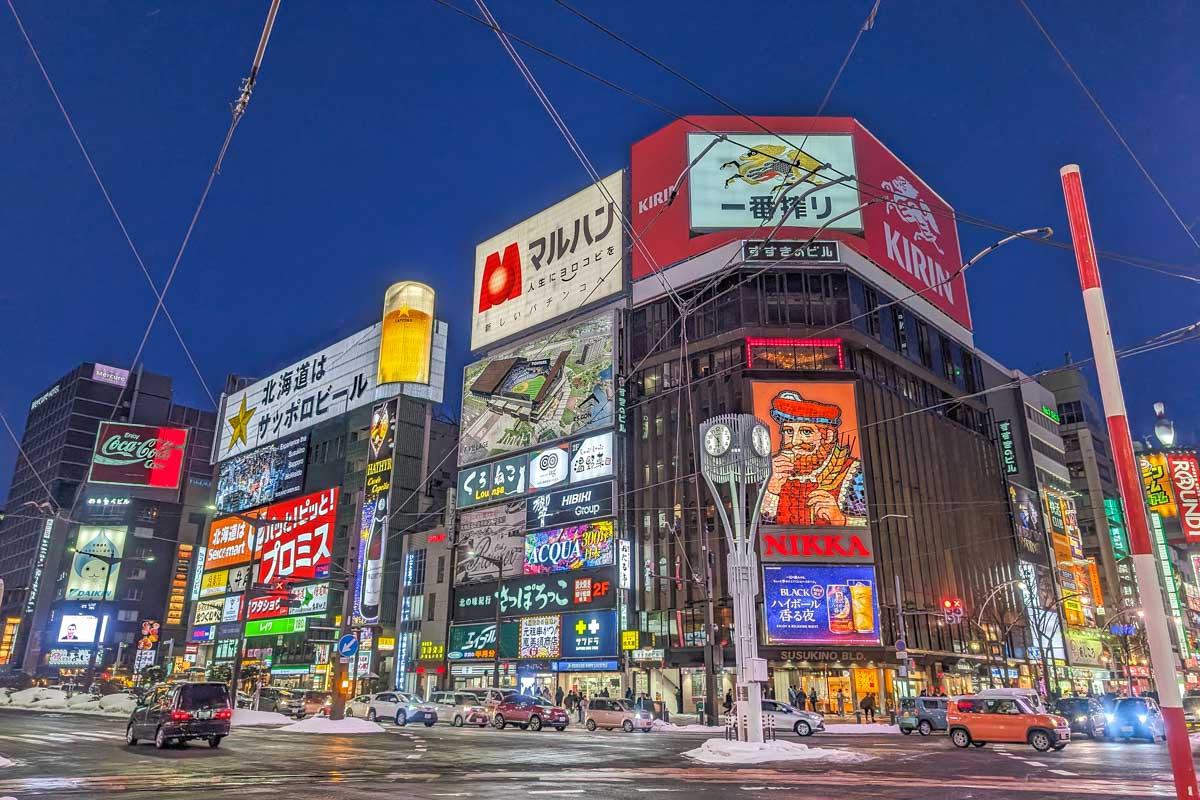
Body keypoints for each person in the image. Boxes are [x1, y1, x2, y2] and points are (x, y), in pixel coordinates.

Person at [760, 390, 867, 527]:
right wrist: (770, 491)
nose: (795, 441)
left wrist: (842, 519)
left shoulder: (853, 473)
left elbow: (879, 524)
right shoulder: (770, 473)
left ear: (828, 436)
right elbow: (751, 530)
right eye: (789, 431)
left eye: (806, 432)